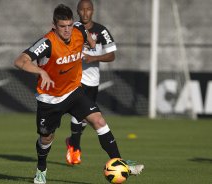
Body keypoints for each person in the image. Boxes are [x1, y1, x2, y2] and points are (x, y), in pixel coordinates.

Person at [14, 4, 144, 184]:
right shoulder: (47, 42)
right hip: (50, 99)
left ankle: (121, 164)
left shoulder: (78, 30)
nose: (67, 30)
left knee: (99, 121)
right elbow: (20, 61)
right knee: (46, 137)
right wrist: (41, 72)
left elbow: (88, 38)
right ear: (54, 25)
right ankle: (41, 169)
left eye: (69, 25)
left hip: (74, 92)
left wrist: (90, 42)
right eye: (62, 26)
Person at [66, 0, 117, 165]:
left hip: (93, 82)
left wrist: (94, 57)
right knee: (80, 114)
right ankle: (75, 150)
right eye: (82, 10)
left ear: (92, 11)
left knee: (86, 118)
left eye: (88, 9)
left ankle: (72, 143)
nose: (85, 13)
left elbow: (111, 55)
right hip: (75, 80)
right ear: (78, 11)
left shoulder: (101, 31)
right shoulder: (71, 29)